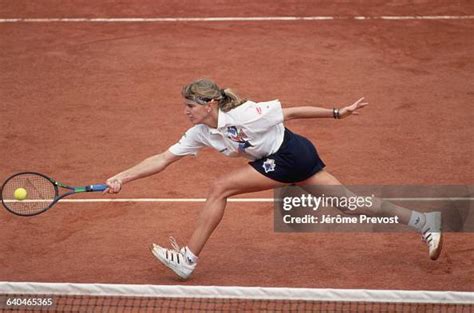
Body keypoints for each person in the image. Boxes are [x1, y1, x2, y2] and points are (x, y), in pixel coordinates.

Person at [105, 79, 442, 280]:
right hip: (283, 160)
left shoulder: (244, 113)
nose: (186, 111)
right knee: (349, 205)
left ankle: (188, 259)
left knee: (219, 187)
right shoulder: (200, 133)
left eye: (190, 105)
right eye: (185, 106)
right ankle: (421, 220)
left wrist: (338, 113)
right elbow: (163, 159)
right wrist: (122, 176)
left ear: (209, 104)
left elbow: (292, 112)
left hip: (291, 154)